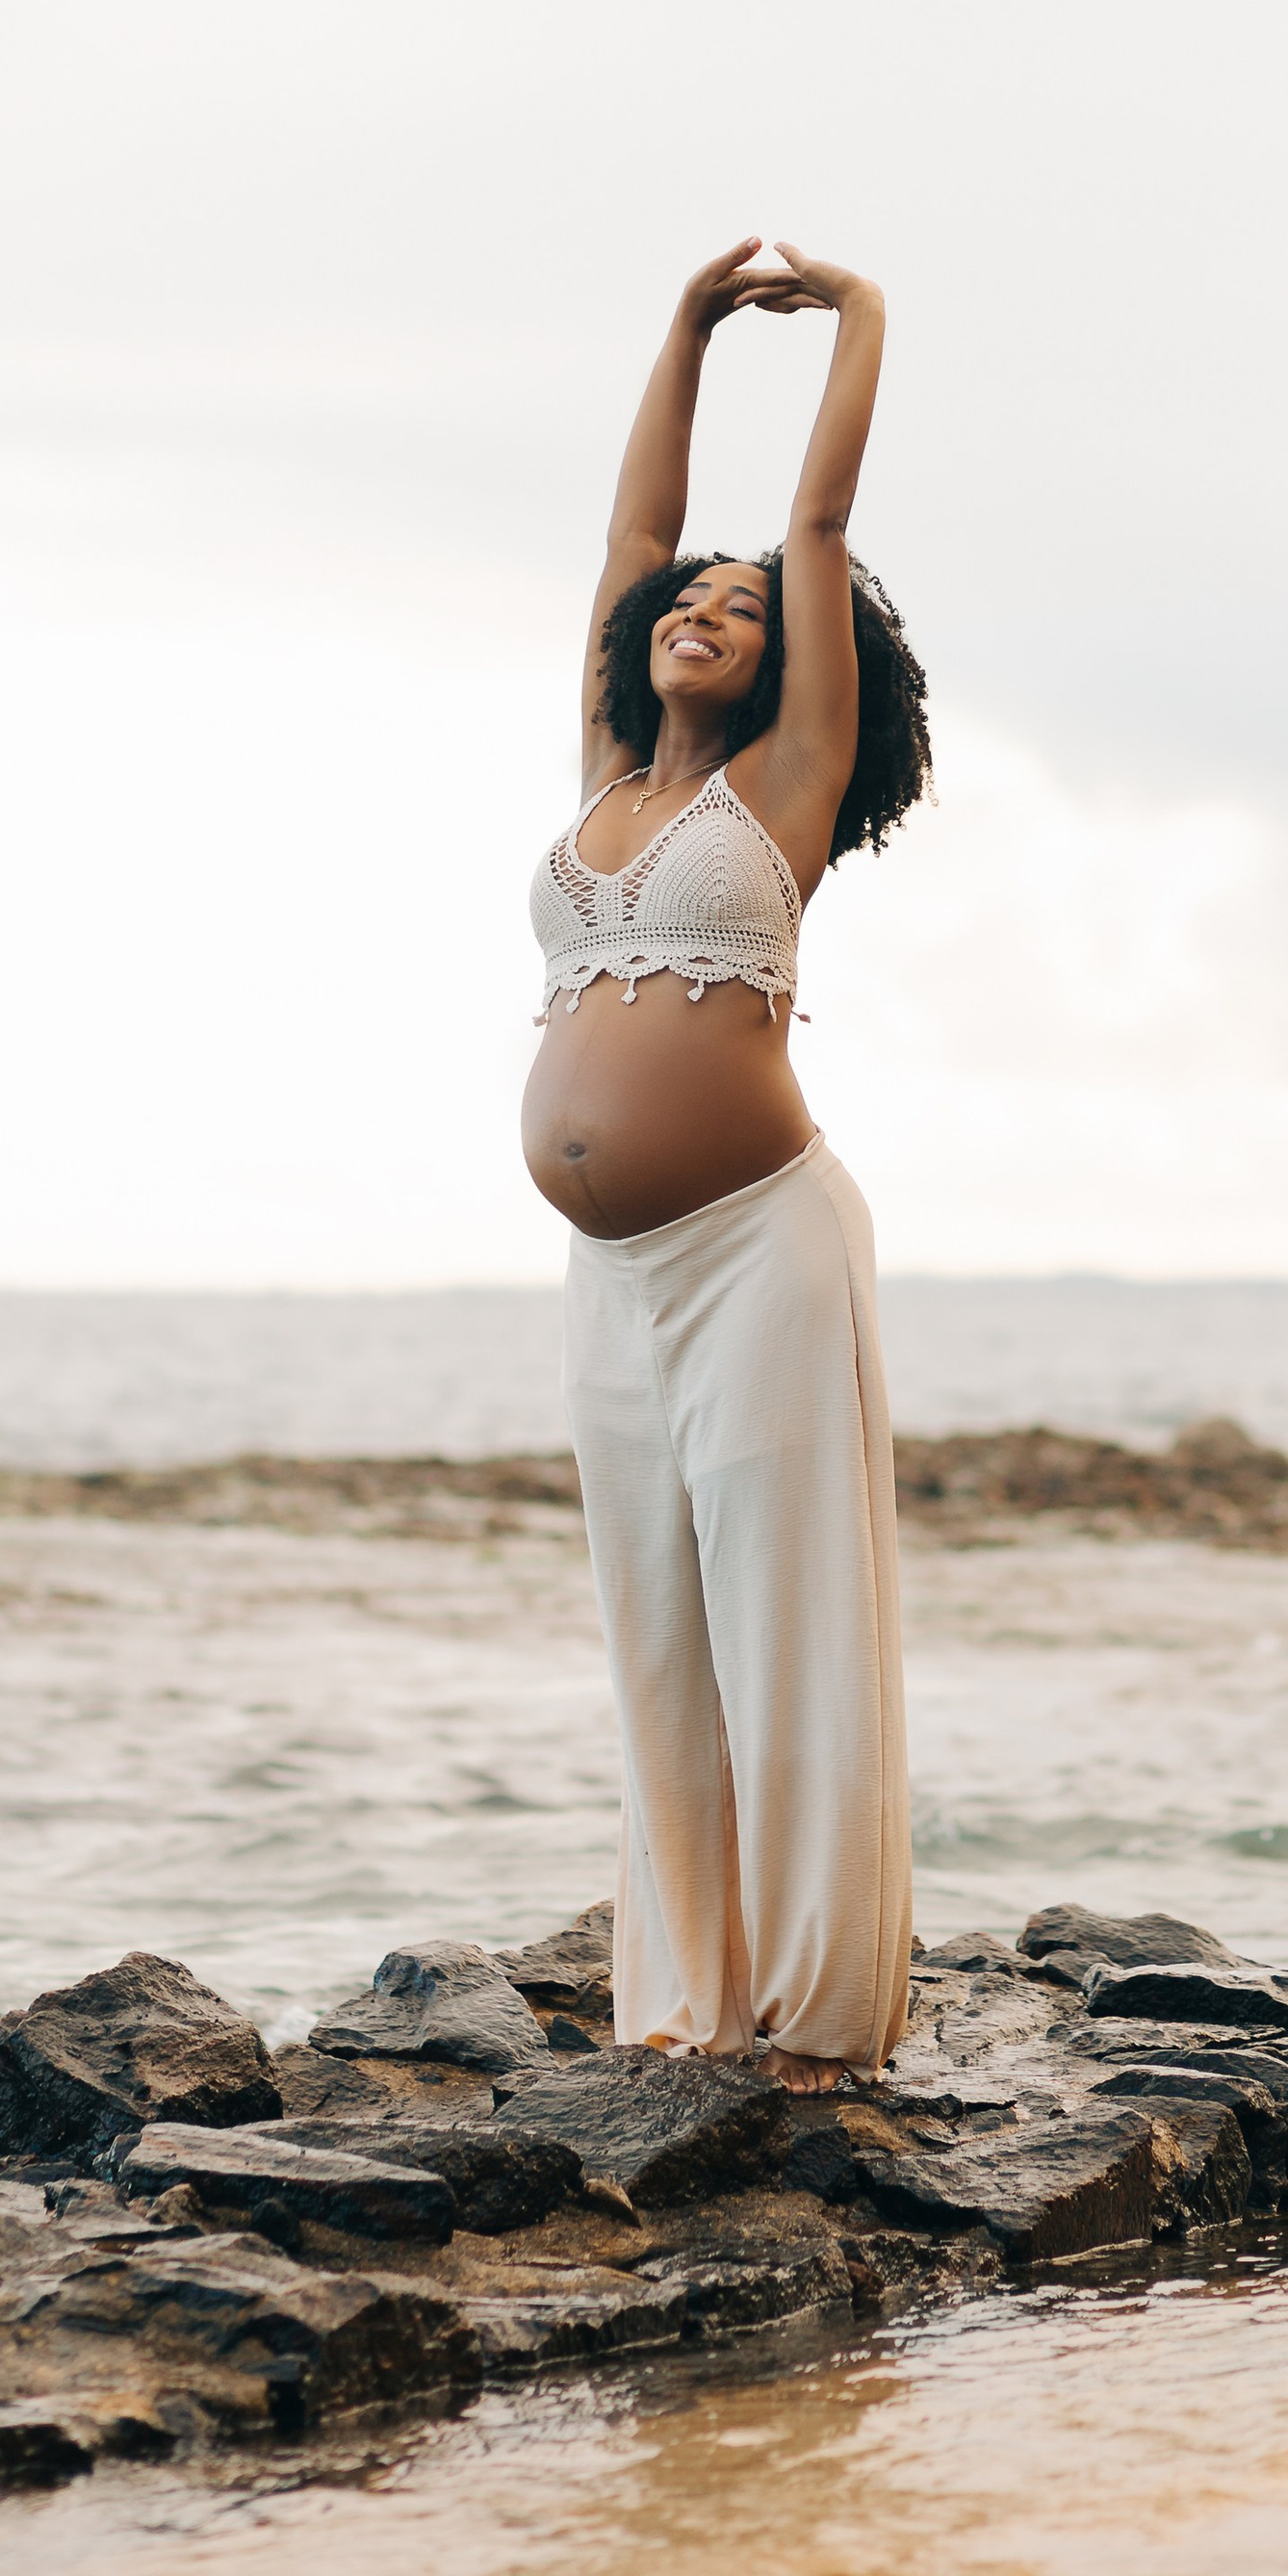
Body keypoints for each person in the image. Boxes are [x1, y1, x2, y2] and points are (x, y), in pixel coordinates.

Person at [524, 242, 934, 2094]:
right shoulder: (609, 768)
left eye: (742, 607)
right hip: (613, 1275)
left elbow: (819, 516)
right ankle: (687, 2003)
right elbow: (631, 531)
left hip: (759, 1248)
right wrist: (683, 332)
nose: (704, 602)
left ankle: (818, 2024)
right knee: (658, 1633)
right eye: (689, 599)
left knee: (784, 1627)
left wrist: (856, 320)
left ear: (788, 668)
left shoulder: (781, 790)